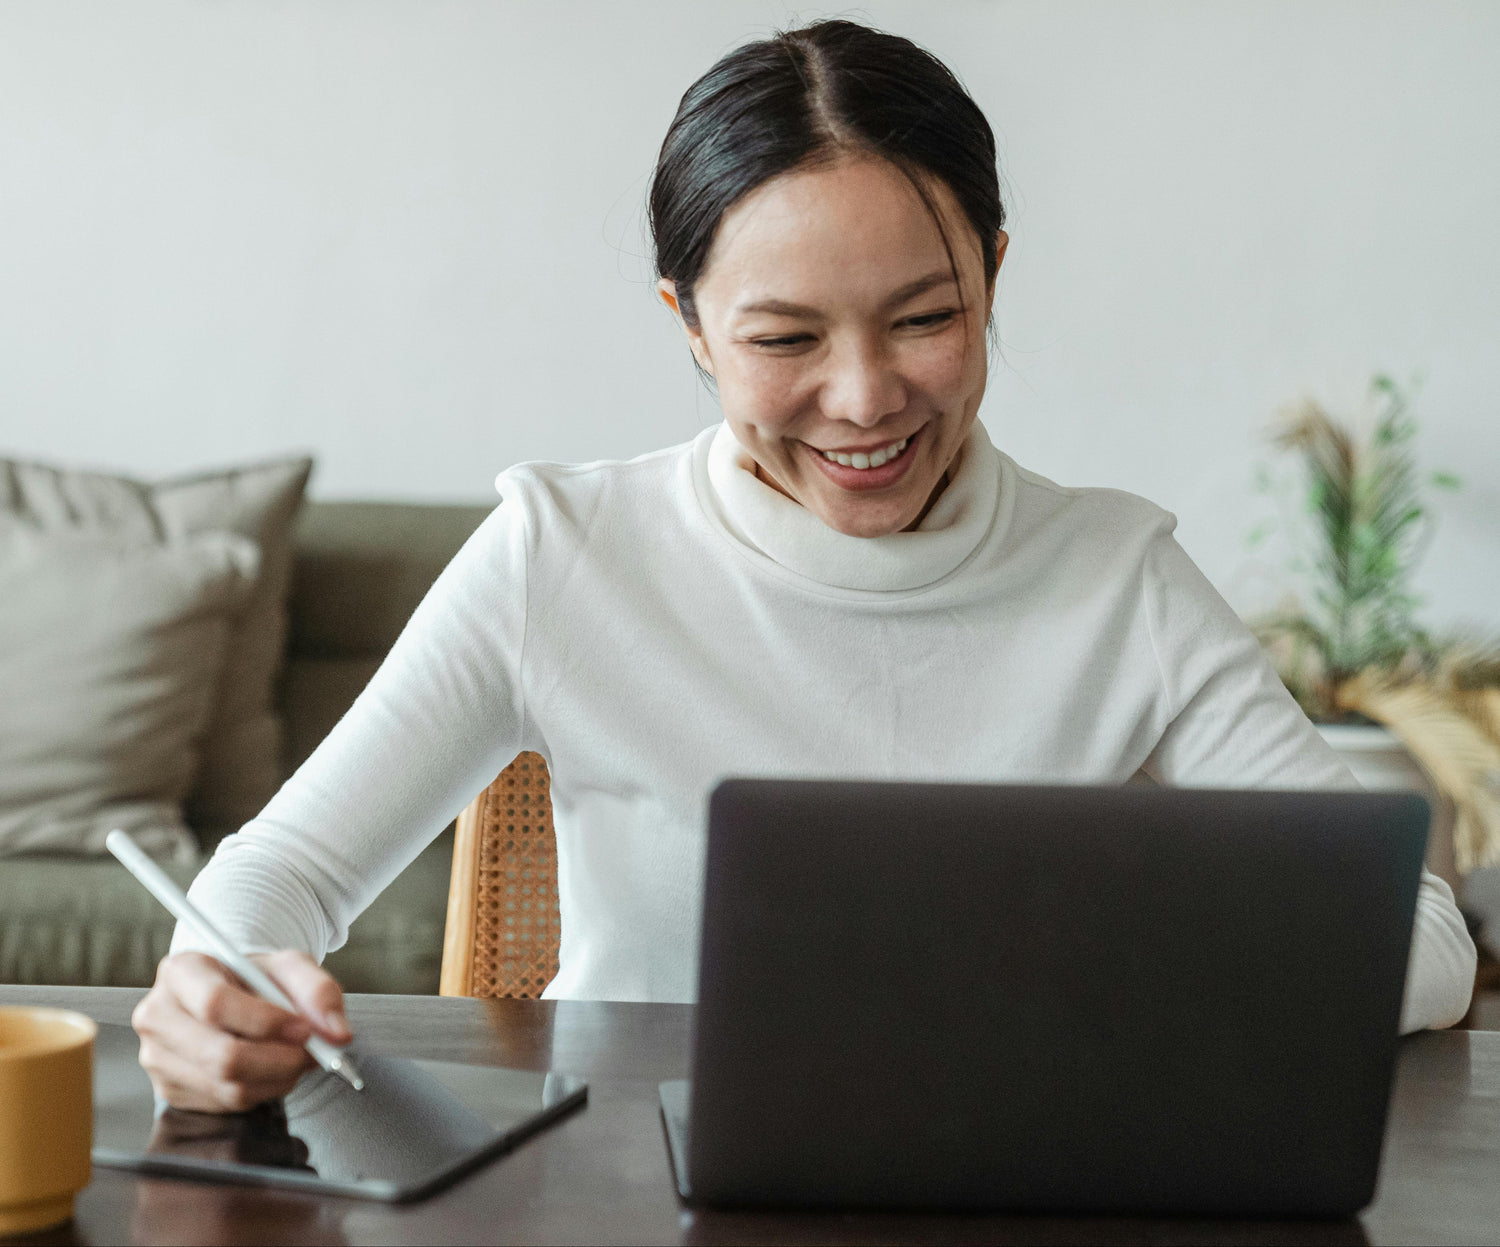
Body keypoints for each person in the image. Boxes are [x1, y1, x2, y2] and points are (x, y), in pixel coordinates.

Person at [132, 19, 1477, 1112]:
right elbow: (277, 875)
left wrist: (1130, 965)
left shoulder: (1119, 578)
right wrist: (216, 987)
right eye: (783, 340)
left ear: (994, 278)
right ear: (692, 327)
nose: (864, 398)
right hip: (622, 1185)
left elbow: (1422, 941)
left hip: (1014, 1183)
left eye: (927, 317)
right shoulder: (564, 554)